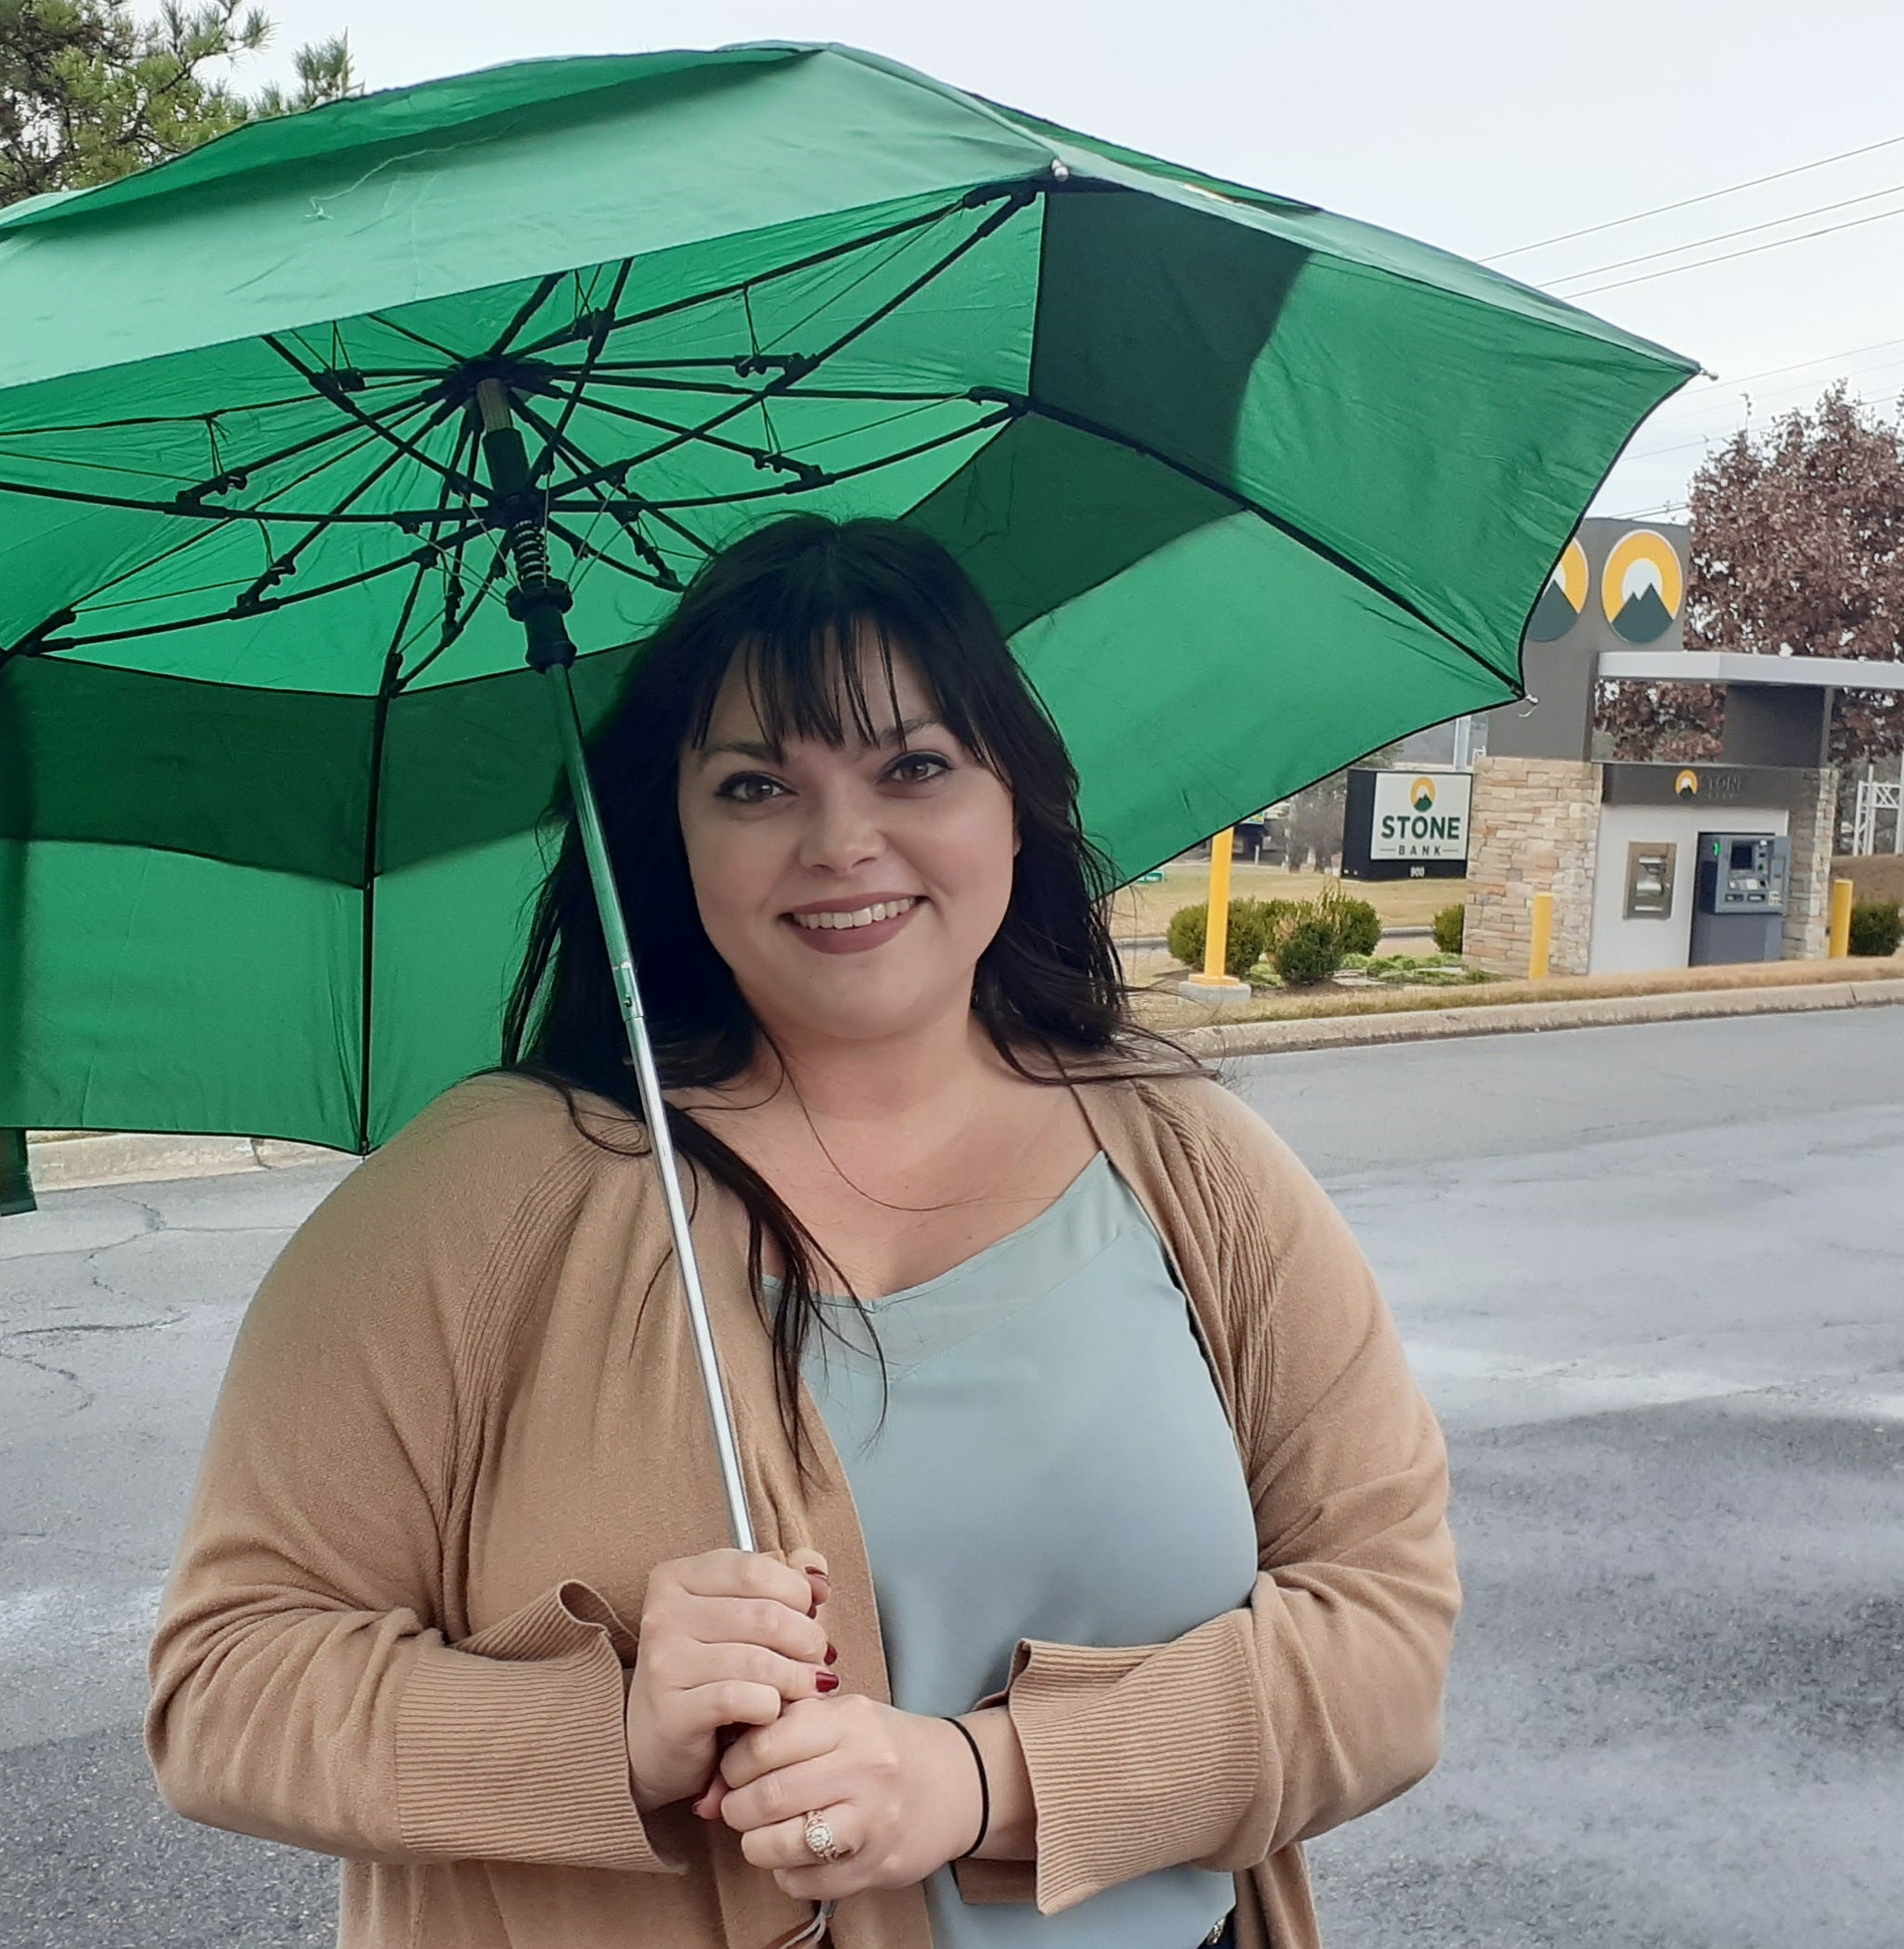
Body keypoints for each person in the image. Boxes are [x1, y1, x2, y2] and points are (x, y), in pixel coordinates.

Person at [148, 515, 1459, 1949]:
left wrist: (979, 1779)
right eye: (757, 783)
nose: (843, 843)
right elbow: (226, 1684)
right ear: (677, 833)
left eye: (914, 766)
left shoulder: (1195, 1167)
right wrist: (615, 1734)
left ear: (1011, 799)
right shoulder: (476, 1210)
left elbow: (1384, 1636)